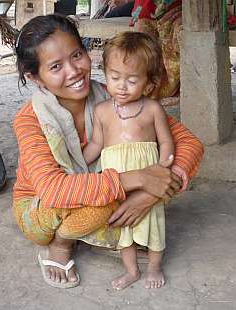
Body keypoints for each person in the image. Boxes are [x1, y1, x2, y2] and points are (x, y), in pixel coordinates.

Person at [13, 14, 203, 289]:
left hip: (98, 189)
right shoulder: (30, 119)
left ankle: (90, 229)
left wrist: (149, 193)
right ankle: (61, 244)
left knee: (140, 183)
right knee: (106, 195)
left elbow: (189, 143)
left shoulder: (114, 98)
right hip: (41, 206)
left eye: (77, 55)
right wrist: (139, 178)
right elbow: (54, 190)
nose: (74, 71)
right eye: (55, 66)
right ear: (35, 77)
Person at [83, 31, 175, 290]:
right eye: (114, 77)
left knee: (153, 224)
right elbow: (96, 145)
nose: (121, 86)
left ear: (148, 84)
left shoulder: (153, 109)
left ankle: (154, 267)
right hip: (118, 182)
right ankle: (132, 270)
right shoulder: (102, 111)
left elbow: (167, 141)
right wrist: (77, 165)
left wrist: (163, 167)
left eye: (132, 80)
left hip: (149, 180)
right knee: (125, 229)